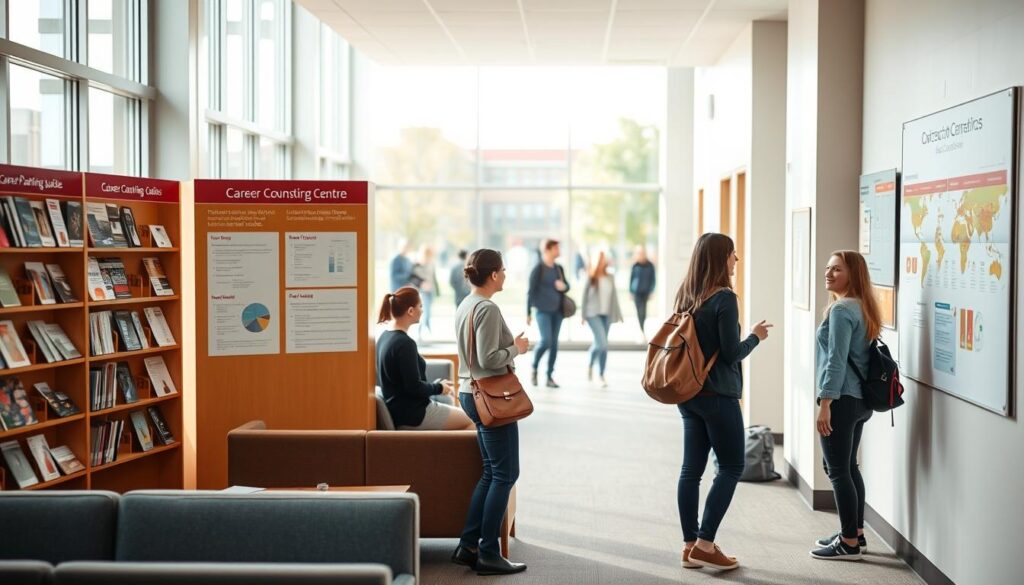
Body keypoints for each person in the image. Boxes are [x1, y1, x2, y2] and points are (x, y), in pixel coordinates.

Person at [674, 233, 771, 571]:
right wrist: (755, 337)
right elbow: (730, 354)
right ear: (721, 259)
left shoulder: (687, 295)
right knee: (731, 467)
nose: (736, 261)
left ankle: (689, 545)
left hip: (688, 394)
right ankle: (705, 543)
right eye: (732, 254)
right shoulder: (725, 299)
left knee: (691, 470)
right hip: (719, 396)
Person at [451, 249, 529, 576]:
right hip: (490, 397)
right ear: (494, 275)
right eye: (504, 270)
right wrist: (517, 349)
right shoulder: (488, 308)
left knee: (490, 472)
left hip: (471, 392)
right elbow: (488, 357)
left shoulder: (466, 304)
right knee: (506, 473)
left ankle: (468, 545)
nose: (506, 275)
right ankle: (487, 552)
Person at [810, 250, 881, 561]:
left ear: (853, 274)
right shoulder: (863, 307)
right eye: (828, 268)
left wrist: (825, 403)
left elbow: (836, 362)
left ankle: (848, 543)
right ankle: (856, 533)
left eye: (836, 269)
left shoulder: (841, 311)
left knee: (837, 470)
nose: (828, 273)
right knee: (849, 467)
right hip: (860, 401)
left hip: (841, 399)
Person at [376, 286, 473, 431]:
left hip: (401, 409)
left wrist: (434, 386)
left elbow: (402, 383)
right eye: (420, 306)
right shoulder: (405, 344)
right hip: (413, 414)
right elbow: (413, 387)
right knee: (472, 421)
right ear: (410, 311)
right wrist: (439, 388)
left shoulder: (384, 337)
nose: (422, 310)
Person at [526, 239, 569, 388]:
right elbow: (530, 291)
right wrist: (528, 312)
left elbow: (567, 286)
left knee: (554, 345)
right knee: (546, 341)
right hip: (542, 311)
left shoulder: (558, 268)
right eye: (557, 248)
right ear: (548, 249)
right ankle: (534, 366)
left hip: (558, 311)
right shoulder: (538, 268)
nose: (559, 251)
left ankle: (549, 376)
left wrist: (563, 286)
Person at [581, 250, 622, 388]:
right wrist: (582, 315)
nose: (603, 261)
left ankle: (600, 374)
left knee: (602, 345)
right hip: (593, 314)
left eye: (604, 258)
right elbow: (584, 296)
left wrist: (619, 315)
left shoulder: (610, 276)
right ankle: (593, 366)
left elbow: (614, 297)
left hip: (607, 315)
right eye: (601, 258)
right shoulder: (591, 276)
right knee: (602, 343)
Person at [411, 245, 439, 340]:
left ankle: (426, 329)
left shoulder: (431, 264)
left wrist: (438, 290)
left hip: (431, 291)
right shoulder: (417, 264)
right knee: (424, 312)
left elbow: (434, 277)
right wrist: (422, 283)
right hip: (422, 292)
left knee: (428, 312)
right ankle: (421, 332)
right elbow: (413, 278)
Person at [629, 245, 657, 337]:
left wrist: (652, 290)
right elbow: (631, 279)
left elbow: (653, 279)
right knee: (638, 311)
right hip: (636, 291)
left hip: (645, 291)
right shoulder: (635, 265)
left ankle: (642, 328)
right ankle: (641, 330)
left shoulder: (650, 265)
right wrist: (630, 292)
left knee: (643, 312)